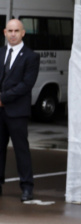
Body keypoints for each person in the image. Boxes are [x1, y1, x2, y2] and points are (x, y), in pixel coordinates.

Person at [0, 19, 39, 201]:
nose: (13, 34)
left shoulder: (31, 57)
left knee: (21, 150)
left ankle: (27, 187)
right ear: (5, 32)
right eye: (10, 30)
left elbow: (26, 84)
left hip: (17, 112)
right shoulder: (0, 53)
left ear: (23, 33)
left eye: (16, 30)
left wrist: (3, 98)